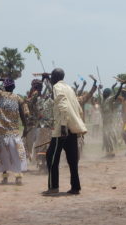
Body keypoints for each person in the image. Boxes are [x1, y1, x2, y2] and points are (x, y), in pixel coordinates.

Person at [42, 68, 87, 196]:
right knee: (72, 160)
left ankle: (53, 187)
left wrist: (62, 126)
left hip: (61, 130)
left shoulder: (56, 87)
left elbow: (63, 106)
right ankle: (75, 187)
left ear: (54, 77)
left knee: (51, 157)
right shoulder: (69, 88)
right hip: (72, 128)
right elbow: (77, 107)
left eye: (51, 77)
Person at [0, 78, 29, 185]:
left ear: (6, 87)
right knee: (13, 154)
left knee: (8, 154)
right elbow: (22, 114)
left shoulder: (5, 95)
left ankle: (12, 177)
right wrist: (25, 127)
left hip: (8, 131)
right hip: (7, 131)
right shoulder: (6, 95)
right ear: (13, 87)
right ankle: (12, 177)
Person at [98, 82, 125, 158]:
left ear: (108, 94)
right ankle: (108, 152)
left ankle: (112, 152)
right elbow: (99, 93)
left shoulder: (110, 99)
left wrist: (121, 86)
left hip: (110, 122)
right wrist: (99, 88)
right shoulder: (102, 99)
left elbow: (116, 95)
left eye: (105, 93)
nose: (104, 94)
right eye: (103, 93)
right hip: (104, 122)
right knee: (106, 138)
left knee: (109, 137)